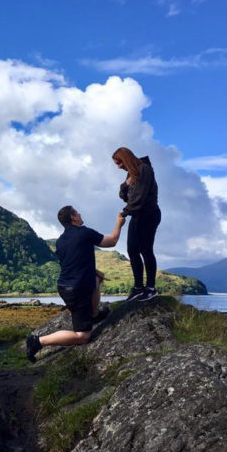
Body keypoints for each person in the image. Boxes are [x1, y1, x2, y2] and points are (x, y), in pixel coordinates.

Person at [25, 206, 124, 362]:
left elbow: (73, 261)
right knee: (83, 336)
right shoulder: (84, 232)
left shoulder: (60, 241)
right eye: (77, 213)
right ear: (73, 218)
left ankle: (94, 315)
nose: (80, 214)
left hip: (66, 286)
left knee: (97, 279)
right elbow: (112, 241)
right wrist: (120, 223)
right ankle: (37, 341)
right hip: (77, 290)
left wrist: (94, 271)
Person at [112, 146, 161, 302]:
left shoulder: (144, 170)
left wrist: (124, 212)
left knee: (146, 250)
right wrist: (125, 185)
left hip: (149, 215)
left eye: (119, 162)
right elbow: (124, 196)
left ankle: (151, 288)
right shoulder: (131, 173)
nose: (118, 166)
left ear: (125, 159)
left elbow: (139, 198)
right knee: (132, 250)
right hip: (137, 215)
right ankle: (138, 288)